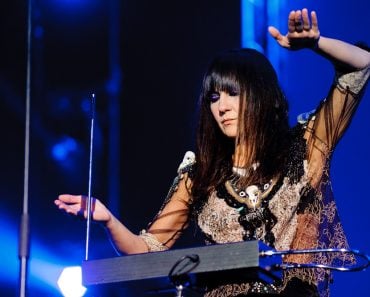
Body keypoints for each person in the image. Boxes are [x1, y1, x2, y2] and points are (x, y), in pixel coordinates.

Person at [55, 8, 370, 297]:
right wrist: (107, 218)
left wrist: (316, 43)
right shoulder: (199, 174)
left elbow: (361, 66)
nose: (222, 107)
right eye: (214, 97)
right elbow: (146, 251)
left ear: (263, 95)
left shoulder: (305, 149)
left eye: (233, 93)